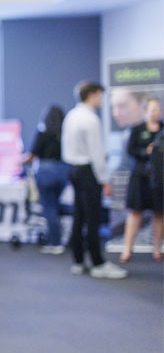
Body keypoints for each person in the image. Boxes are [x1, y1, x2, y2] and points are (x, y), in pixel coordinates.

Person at [61, 80, 128, 279]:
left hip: (73, 169)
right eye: (100, 95)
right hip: (88, 171)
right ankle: (98, 263)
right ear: (91, 94)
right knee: (92, 218)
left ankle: (79, 261)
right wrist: (104, 180)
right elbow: (97, 154)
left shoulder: (71, 116)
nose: (102, 99)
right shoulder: (90, 120)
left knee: (79, 215)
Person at [121, 98, 163, 262]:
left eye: (158, 109)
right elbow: (130, 150)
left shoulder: (163, 128)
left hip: (159, 178)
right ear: (146, 111)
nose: (155, 112)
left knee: (159, 213)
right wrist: (146, 151)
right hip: (140, 176)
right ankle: (127, 249)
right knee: (135, 212)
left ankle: (157, 249)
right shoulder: (137, 129)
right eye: (152, 109)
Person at [23, 105, 70, 254]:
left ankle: (55, 242)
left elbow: (33, 154)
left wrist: (20, 161)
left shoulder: (42, 131)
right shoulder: (64, 132)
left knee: (49, 207)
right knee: (55, 205)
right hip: (63, 170)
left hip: (45, 171)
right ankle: (57, 238)